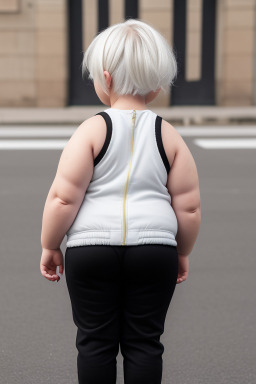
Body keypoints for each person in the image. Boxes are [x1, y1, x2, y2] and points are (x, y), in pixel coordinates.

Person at [40, 18, 201, 384]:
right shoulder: (170, 135)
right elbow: (188, 206)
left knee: (95, 341)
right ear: (158, 85)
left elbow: (64, 198)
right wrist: (182, 250)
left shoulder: (92, 129)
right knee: (145, 341)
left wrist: (50, 244)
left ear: (106, 79)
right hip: (154, 249)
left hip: (91, 248)